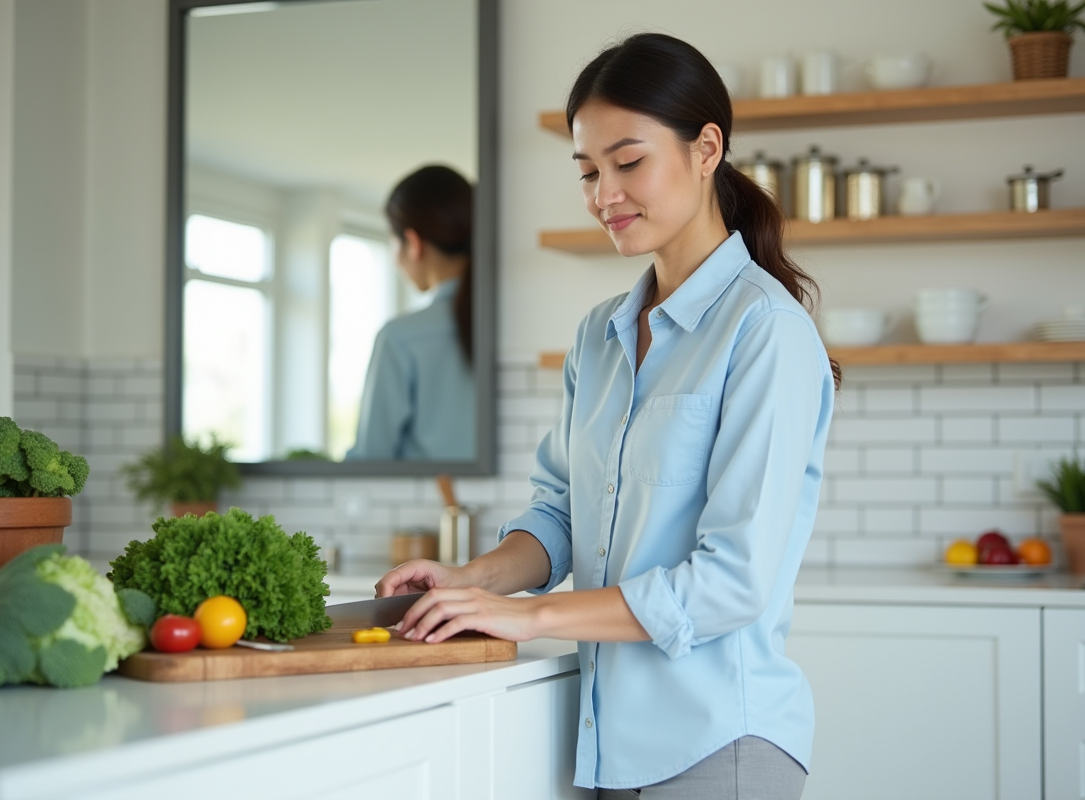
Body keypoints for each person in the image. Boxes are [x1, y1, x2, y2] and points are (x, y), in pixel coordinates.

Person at [374, 33, 840, 799]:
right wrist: (473, 579)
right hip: (600, 740)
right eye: (589, 171)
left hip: (718, 744)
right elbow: (559, 514)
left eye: (628, 163)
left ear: (705, 149)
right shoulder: (600, 334)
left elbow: (731, 584)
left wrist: (533, 618)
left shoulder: (765, 330)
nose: (603, 194)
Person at [347, 165, 476, 461]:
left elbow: (371, 458)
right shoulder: (506, 326)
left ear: (414, 243)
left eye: (392, 241)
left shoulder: (400, 338)